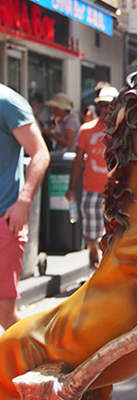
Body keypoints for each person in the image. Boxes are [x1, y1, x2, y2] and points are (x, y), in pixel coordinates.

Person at [0, 83, 50, 330]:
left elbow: (40, 153)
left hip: (4, 218)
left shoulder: (7, 101)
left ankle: (43, 360)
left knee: (6, 316)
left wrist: (24, 200)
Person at [65, 86, 118, 270]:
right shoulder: (86, 130)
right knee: (90, 229)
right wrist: (71, 188)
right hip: (91, 188)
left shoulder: (121, 130)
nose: (107, 109)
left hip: (115, 190)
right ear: (98, 107)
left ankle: (105, 266)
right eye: (103, 105)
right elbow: (78, 161)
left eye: (111, 104)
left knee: (113, 230)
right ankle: (93, 250)